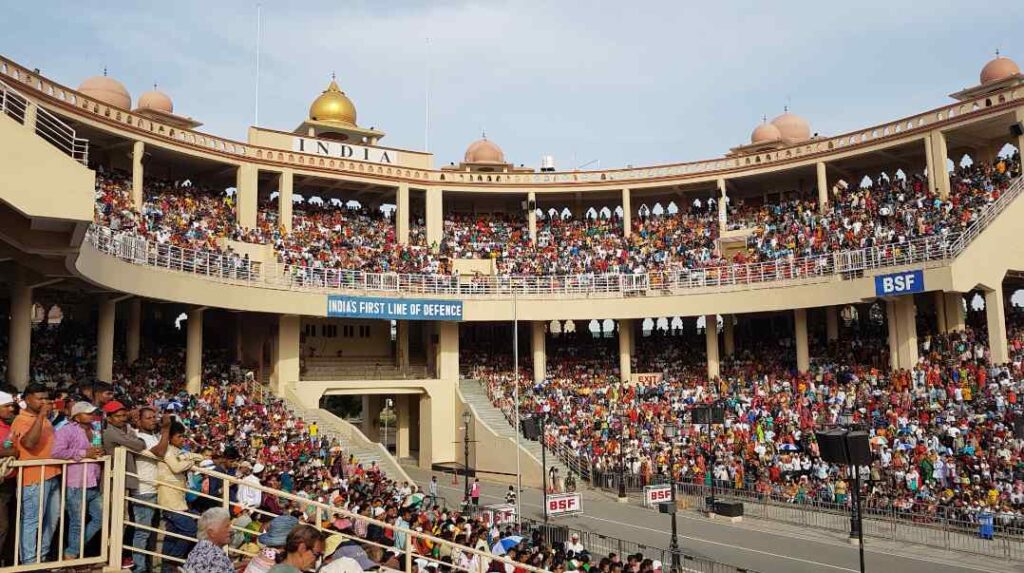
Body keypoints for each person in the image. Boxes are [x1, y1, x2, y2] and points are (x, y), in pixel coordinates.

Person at [101, 402, 171, 573]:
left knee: (150, 533)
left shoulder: (151, 436)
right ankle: (139, 568)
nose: (153, 420)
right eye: (148, 418)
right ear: (138, 422)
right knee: (142, 532)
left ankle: (146, 565)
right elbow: (160, 452)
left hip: (155, 488)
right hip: (143, 489)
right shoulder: (140, 437)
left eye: (154, 417)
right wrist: (166, 429)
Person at [11, 383, 62, 564]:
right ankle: (29, 563)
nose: (43, 402)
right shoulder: (21, 419)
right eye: (39, 398)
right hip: (33, 477)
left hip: (52, 475)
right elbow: (29, 444)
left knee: (52, 518)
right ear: (27, 399)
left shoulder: (46, 420)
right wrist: (41, 416)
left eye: (45, 398)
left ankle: (41, 556)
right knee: (32, 521)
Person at [52, 401, 106, 560]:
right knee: (77, 523)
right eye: (87, 413)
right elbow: (56, 452)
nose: (91, 415)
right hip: (76, 484)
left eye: (92, 413)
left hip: (93, 482)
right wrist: (83, 454)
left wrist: (99, 451)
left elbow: (95, 450)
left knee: (101, 518)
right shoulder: (66, 430)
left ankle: (72, 552)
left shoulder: (95, 429)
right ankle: (72, 555)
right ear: (77, 416)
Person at [158, 421, 206, 572]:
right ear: (170, 437)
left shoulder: (177, 451)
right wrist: (190, 461)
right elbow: (176, 467)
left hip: (178, 499)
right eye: (179, 437)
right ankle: (173, 562)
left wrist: (188, 457)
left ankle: (166, 568)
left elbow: (199, 456)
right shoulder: (166, 450)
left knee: (172, 535)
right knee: (190, 530)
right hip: (169, 499)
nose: (182, 440)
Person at [182, 507, 235, 573]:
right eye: (227, 526)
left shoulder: (203, 549)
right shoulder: (215, 555)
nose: (231, 530)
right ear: (211, 533)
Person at [0, 390, 19, 565]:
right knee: (2, 525)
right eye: (6, 406)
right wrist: (12, 451)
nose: (11, 409)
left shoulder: (8, 426)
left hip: (9, 481)